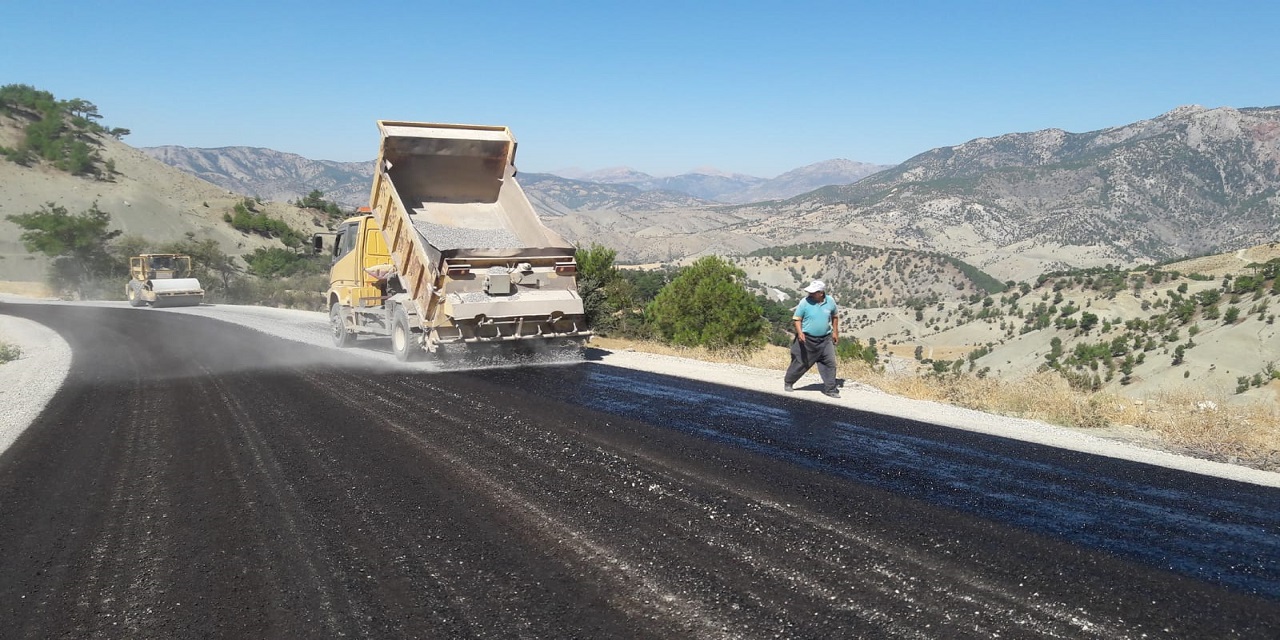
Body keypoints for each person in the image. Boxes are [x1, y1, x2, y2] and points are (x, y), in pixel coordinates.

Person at [784, 280, 840, 398]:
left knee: (830, 363)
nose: (810, 294)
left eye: (813, 292)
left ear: (821, 293)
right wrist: (800, 333)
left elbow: (835, 316)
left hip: (825, 339)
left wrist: (835, 332)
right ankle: (789, 382)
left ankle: (831, 389)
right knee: (801, 362)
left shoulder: (830, 301)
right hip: (807, 339)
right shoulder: (804, 302)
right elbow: (797, 319)